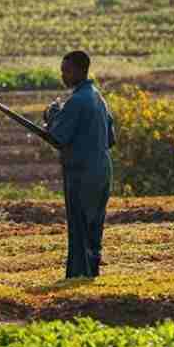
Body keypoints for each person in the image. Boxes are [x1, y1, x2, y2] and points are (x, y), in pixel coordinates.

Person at [44, 50, 115, 279]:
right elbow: (111, 138)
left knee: (79, 227)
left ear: (78, 71)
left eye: (66, 71)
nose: (63, 75)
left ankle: (77, 275)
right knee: (93, 227)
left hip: (82, 173)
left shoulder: (77, 101)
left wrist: (52, 114)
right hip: (102, 171)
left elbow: (58, 137)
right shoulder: (97, 97)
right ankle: (91, 273)